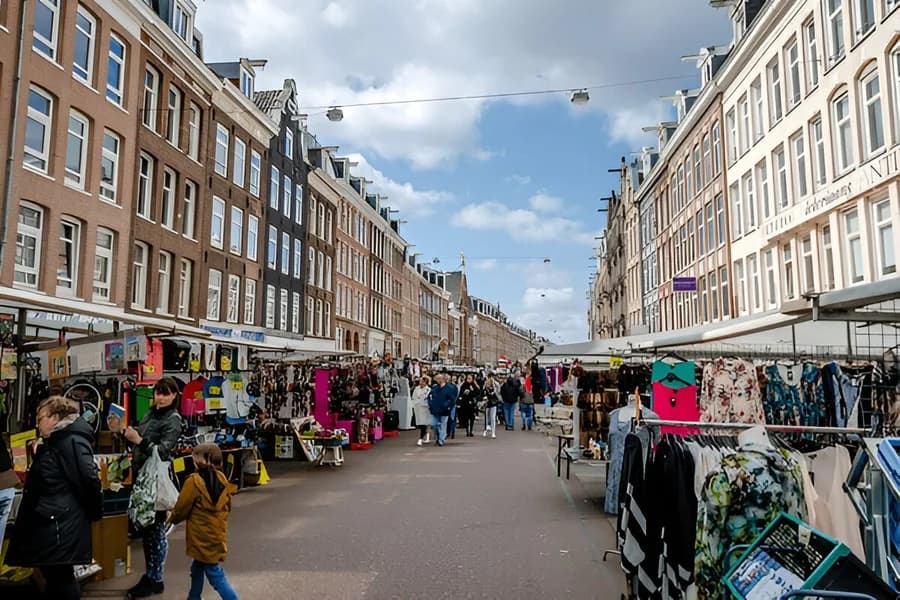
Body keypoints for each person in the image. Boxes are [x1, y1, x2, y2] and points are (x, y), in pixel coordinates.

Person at [7, 396, 103, 599]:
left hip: (59, 523)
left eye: (40, 418)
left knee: (61, 578)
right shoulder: (60, 440)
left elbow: (89, 480)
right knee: (56, 577)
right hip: (55, 520)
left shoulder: (71, 440)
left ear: (55, 417)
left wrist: (93, 512)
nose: (37, 424)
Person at [110, 377, 184, 599]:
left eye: (165, 393)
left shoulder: (174, 420)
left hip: (157, 480)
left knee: (156, 530)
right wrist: (122, 431)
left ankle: (155, 578)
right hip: (142, 477)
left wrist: (139, 439)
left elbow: (163, 451)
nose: (159, 397)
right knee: (146, 529)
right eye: (157, 393)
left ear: (174, 395)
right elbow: (139, 439)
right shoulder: (150, 413)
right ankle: (152, 575)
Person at [168, 443, 238, 600]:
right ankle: (193, 597)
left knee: (215, 574)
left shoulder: (193, 481)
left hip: (201, 536)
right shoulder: (221, 478)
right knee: (197, 568)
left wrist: (172, 518)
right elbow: (227, 505)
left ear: (201, 461)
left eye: (194, 459)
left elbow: (182, 506)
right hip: (216, 533)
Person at [428, 374, 457, 446]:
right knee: (434, 425)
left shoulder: (449, 388)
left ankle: (441, 439)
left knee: (443, 424)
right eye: (437, 379)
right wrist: (430, 404)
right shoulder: (434, 388)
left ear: (443, 379)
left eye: (439, 378)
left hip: (445, 410)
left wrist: (448, 406)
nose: (437, 380)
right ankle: (438, 436)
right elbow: (429, 396)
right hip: (435, 410)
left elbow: (452, 399)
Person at [411, 375, 433, 446]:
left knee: (425, 423)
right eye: (420, 381)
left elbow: (427, 398)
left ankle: (421, 438)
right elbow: (414, 397)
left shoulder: (428, 390)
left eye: (422, 381)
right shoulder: (416, 388)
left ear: (425, 382)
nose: (421, 383)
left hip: (425, 408)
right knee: (420, 423)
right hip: (417, 407)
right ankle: (426, 434)